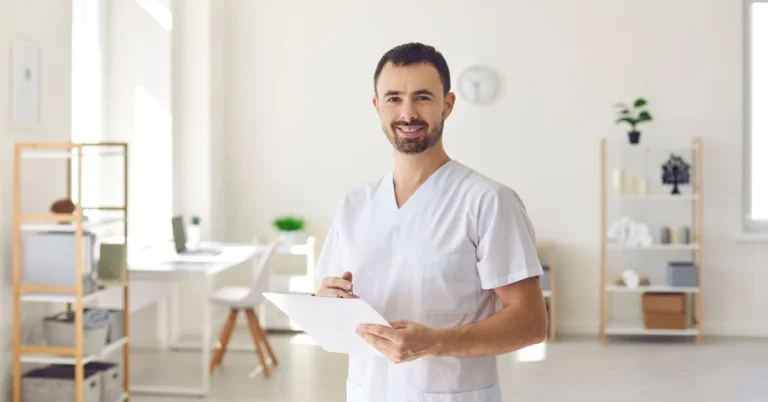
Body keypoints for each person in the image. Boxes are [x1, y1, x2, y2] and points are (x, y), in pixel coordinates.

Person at [314, 42, 548, 402]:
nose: (407, 113)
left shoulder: (488, 201)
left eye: (422, 96)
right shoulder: (354, 204)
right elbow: (325, 298)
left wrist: (435, 342)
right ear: (377, 107)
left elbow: (531, 323)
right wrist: (326, 299)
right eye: (393, 98)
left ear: (448, 104)